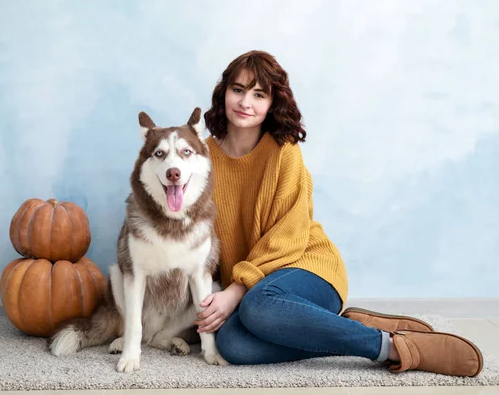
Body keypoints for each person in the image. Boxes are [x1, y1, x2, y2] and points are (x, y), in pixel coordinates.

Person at [193, 50, 483, 377]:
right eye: (239, 89)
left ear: (272, 104)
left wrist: (236, 290)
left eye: (259, 94)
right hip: (257, 288)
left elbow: (287, 238)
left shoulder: (283, 150)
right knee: (232, 345)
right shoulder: (200, 158)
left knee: (257, 307)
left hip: (307, 267)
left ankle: (393, 346)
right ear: (224, 92)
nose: (246, 101)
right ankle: (340, 327)